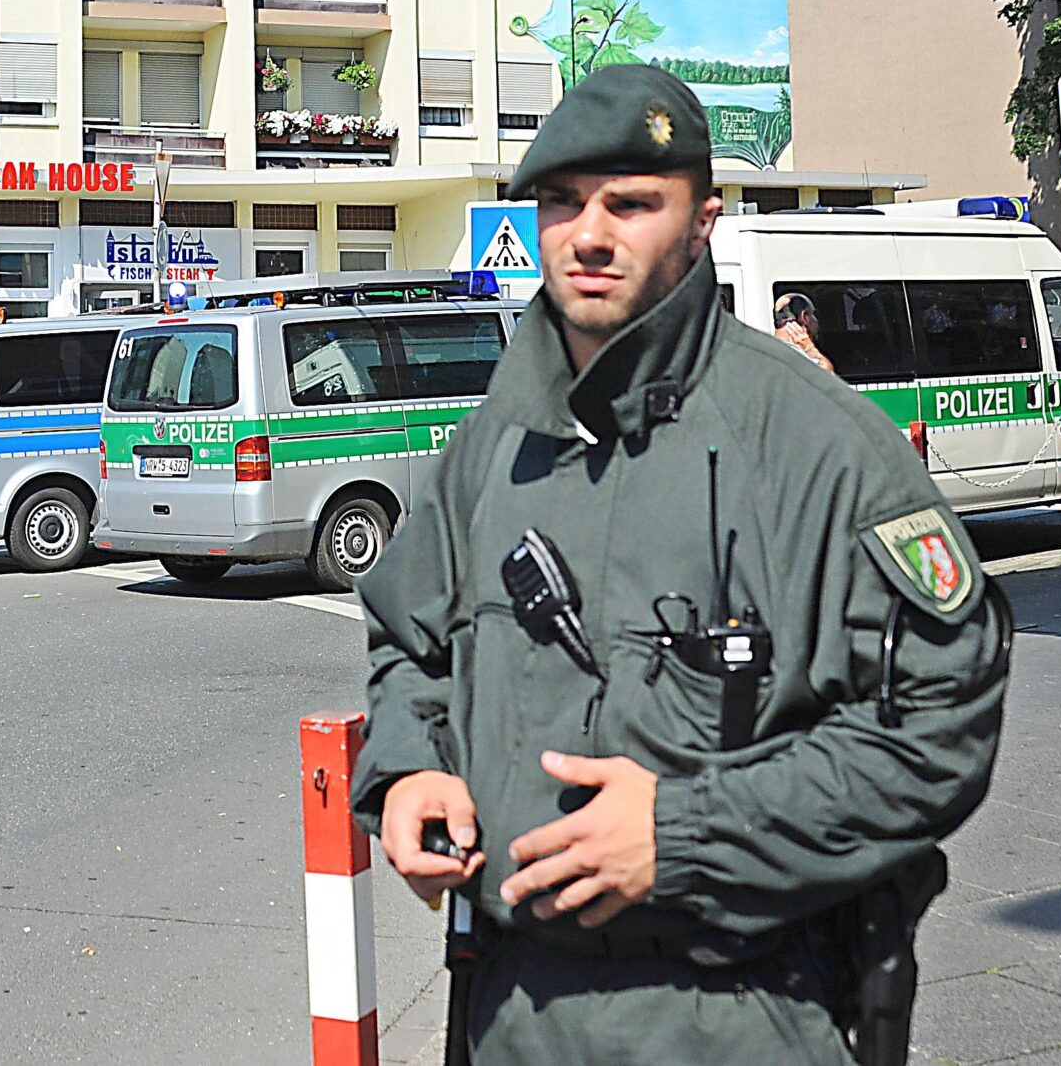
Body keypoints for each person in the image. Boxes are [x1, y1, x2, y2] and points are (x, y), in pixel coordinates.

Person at [355, 64, 1009, 1064]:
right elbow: (411, 640)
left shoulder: (816, 445)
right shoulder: (496, 439)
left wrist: (686, 831)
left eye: (629, 204)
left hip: (734, 1010)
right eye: (563, 203)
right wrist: (411, 771)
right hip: (509, 1008)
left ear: (701, 222)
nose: (589, 235)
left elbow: (934, 730)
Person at [774, 291, 838, 374]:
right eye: (814, 314)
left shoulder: (765, 350)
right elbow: (828, 381)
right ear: (804, 317)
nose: (816, 321)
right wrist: (811, 350)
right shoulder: (808, 358)